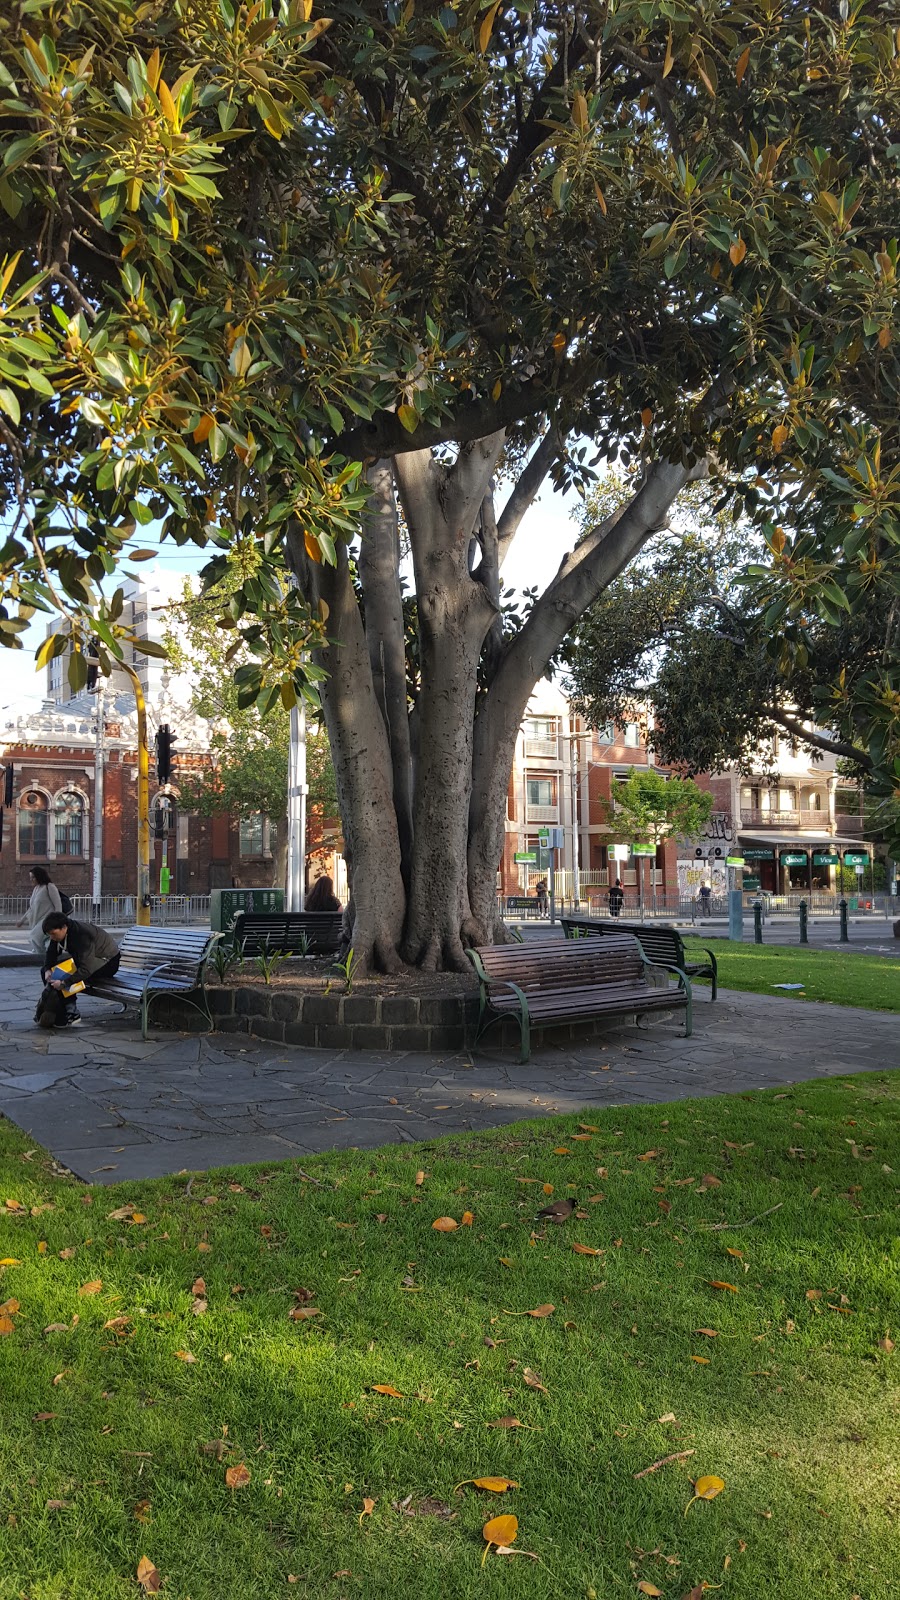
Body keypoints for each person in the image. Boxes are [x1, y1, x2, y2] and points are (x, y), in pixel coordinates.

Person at [35, 913, 120, 1030]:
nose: (52, 938)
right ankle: (65, 1008)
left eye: (53, 934)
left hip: (108, 962)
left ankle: (70, 1011)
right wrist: (47, 969)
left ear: (64, 928)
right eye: (50, 935)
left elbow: (86, 969)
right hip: (87, 960)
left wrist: (64, 983)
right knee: (52, 973)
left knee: (64, 975)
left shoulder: (81, 936)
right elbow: (51, 953)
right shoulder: (60, 933)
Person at [17, 866, 62, 957]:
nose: (31, 880)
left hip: (47, 919)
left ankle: (41, 956)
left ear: (39, 876)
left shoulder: (50, 887)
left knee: (34, 937)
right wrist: (22, 920)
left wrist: (58, 921)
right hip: (36, 920)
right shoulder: (36, 889)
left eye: (33, 877)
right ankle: (47, 956)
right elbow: (32, 907)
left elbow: (58, 905)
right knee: (43, 940)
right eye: (30, 877)